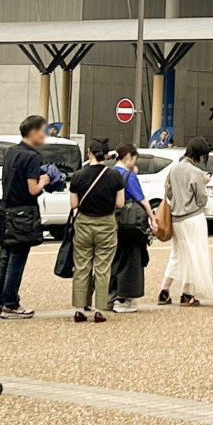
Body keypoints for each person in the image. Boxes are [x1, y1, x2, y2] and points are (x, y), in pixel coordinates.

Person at [67, 137, 141, 322]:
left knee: (82, 265)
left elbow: (73, 204)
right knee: (103, 266)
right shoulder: (114, 176)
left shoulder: (78, 176)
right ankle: (100, 309)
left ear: (89, 153)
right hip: (106, 224)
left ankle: (80, 308)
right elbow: (120, 203)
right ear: (107, 155)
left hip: (84, 223)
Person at [0, 116, 58, 319]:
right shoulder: (31, 157)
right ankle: (11, 303)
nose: (44, 135)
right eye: (43, 131)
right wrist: (45, 180)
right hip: (24, 212)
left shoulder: (11, 152)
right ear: (34, 132)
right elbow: (32, 188)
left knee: (5, 257)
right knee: (17, 259)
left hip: (6, 209)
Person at [157, 139, 213, 306]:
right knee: (195, 255)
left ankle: (164, 291)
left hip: (176, 219)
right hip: (193, 218)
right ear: (199, 155)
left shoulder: (174, 169)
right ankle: (186, 294)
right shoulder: (196, 172)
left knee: (177, 254)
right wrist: (204, 183)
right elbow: (201, 200)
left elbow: (168, 192)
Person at [108, 143, 154, 311]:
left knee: (114, 258)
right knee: (130, 260)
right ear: (128, 157)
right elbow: (141, 199)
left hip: (111, 222)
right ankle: (124, 299)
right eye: (134, 159)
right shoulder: (128, 176)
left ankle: (109, 297)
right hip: (129, 224)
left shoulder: (109, 173)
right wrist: (153, 219)